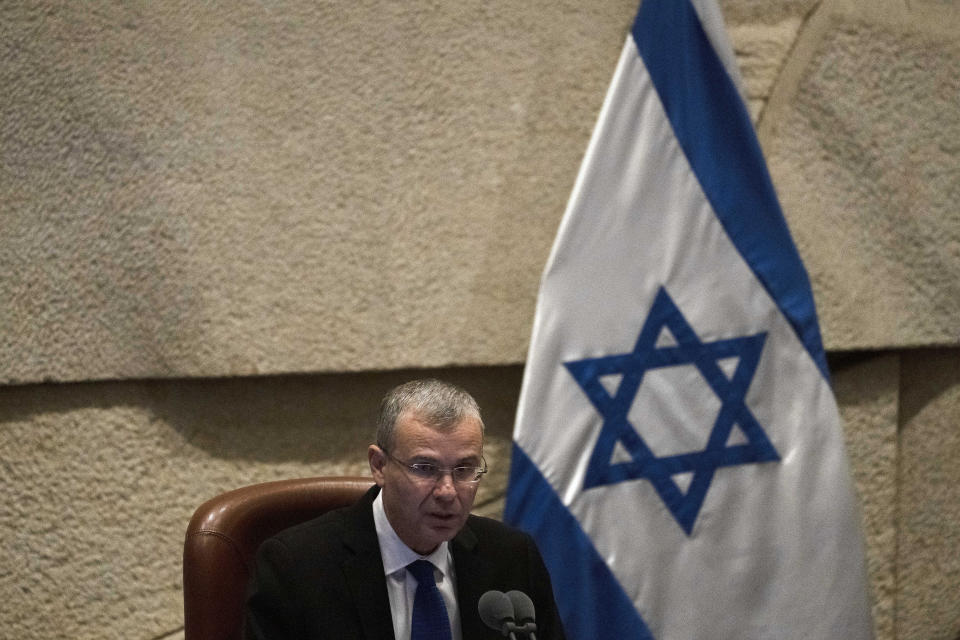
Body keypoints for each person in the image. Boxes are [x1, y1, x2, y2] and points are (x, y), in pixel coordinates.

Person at [244, 378, 566, 640]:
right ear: (379, 466)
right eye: (425, 468)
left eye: (464, 469)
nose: (447, 491)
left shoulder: (511, 557)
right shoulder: (297, 567)